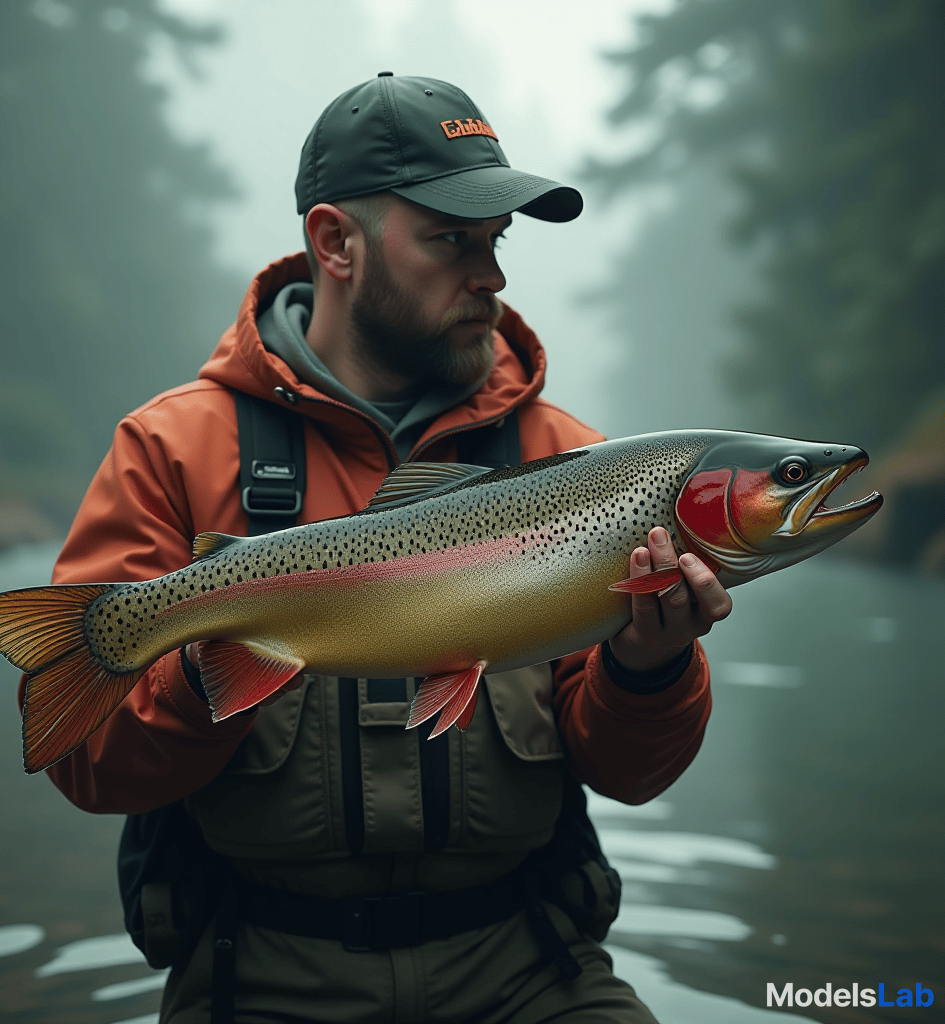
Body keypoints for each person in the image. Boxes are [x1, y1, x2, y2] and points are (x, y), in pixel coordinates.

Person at [40, 74, 731, 1023]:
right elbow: (89, 762)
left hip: (528, 972)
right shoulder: (171, 449)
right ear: (336, 244)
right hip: (262, 978)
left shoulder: (573, 464)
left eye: (495, 244)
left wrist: (649, 664)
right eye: (452, 240)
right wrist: (212, 666)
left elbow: (630, 774)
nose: (489, 276)